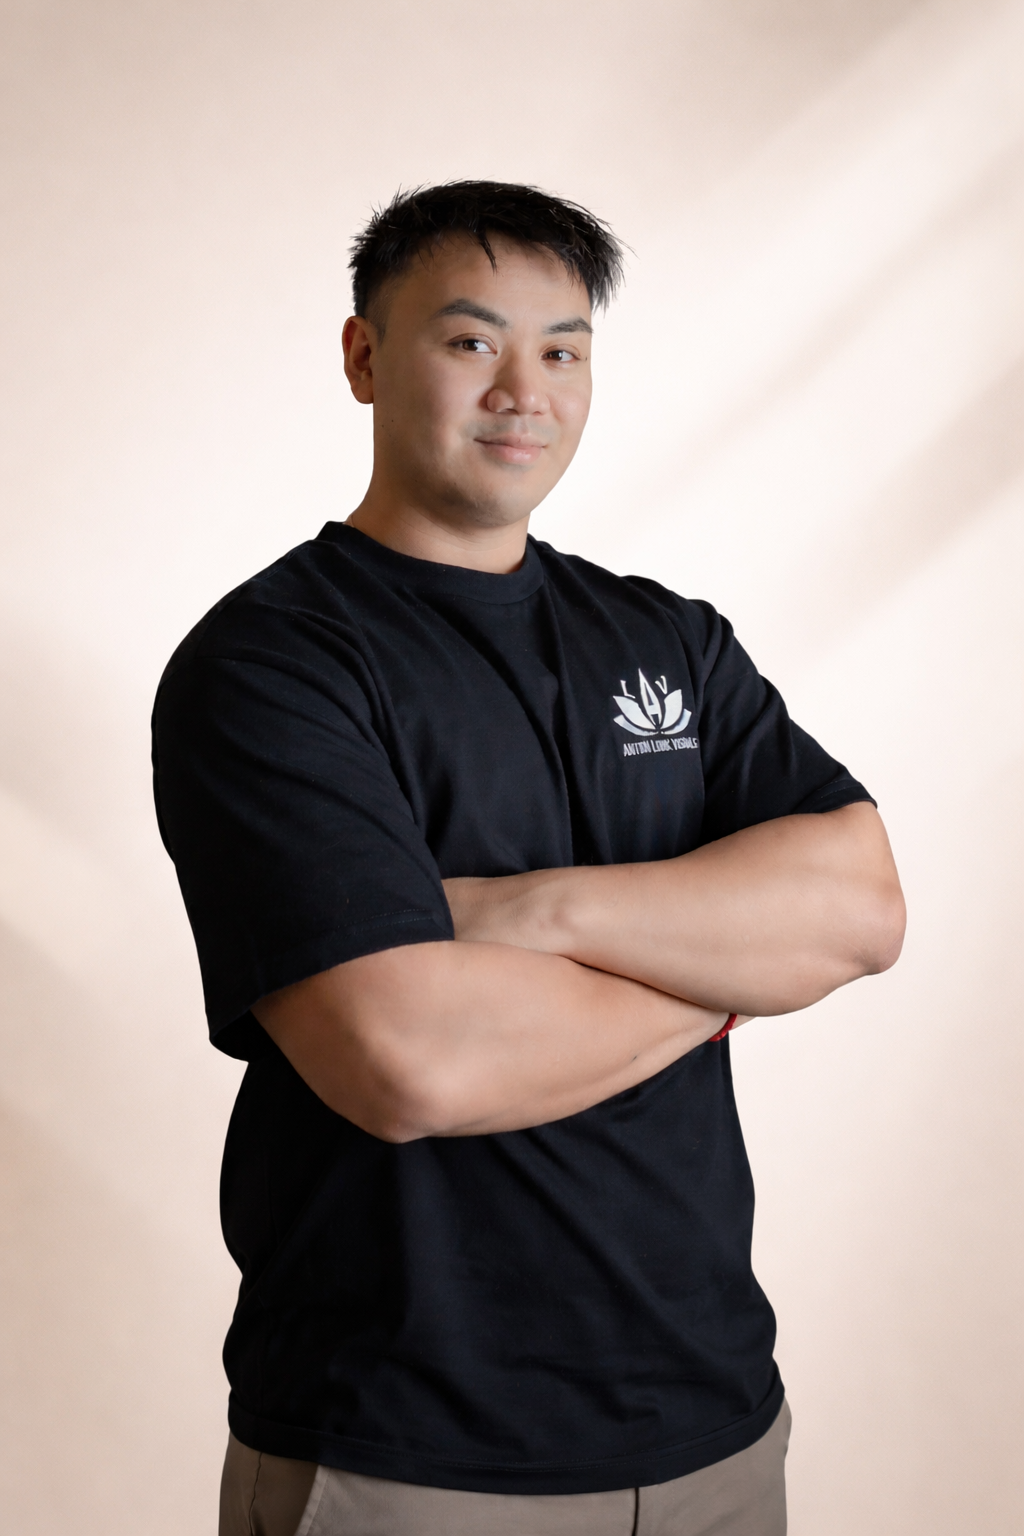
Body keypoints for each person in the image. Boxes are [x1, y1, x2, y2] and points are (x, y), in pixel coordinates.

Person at [152, 181, 905, 1536]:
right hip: (409, 1451)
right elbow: (410, 1063)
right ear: (365, 357)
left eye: (564, 349)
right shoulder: (273, 666)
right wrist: (736, 969)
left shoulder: (669, 639)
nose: (525, 389)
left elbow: (858, 908)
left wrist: (525, 912)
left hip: (719, 1429)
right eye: (471, 341)